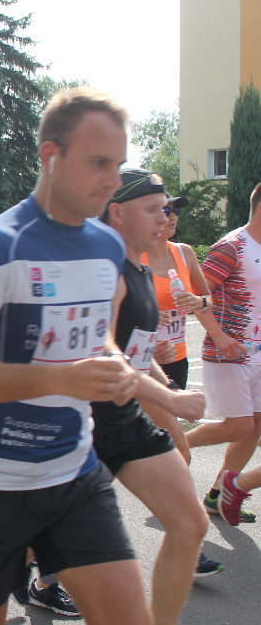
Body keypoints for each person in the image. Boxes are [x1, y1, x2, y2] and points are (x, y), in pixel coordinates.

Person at [0, 88, 153, 625]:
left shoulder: (105, 246)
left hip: (73, 474)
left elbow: (97, 328)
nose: (112, 180)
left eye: (118, 164)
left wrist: (116, 361)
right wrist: (57, 378)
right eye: (99, 163)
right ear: (51, 156)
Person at [25, 168, 214, 625]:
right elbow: (104, 350)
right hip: (81, 430)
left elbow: (134, 350)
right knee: (114, 624)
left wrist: (158, 379)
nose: (166, 216)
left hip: (123, 419)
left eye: (167, 208)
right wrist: (170, 397)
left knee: (191, 524)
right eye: (154, 208)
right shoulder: (103, 271)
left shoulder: (144, 267)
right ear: (117, 212)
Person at [185, 180, 261, 524]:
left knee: (254, 426)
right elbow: (198, 297)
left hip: (258, 353)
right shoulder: (232, 246)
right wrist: (219, 337)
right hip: (228, 352)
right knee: (238, 426)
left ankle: (218, 494)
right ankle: (168, 446)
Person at [139, 193, 208, 462]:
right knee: (177, 452)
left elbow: (208, 301)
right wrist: (147, 317)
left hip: (177, 358)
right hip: (144, 363)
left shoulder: (185, 252)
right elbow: (112, 317)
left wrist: (198, 300)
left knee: (157, 449)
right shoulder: (131, 256)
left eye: (175, 210)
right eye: (165, 210)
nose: (172, 216)